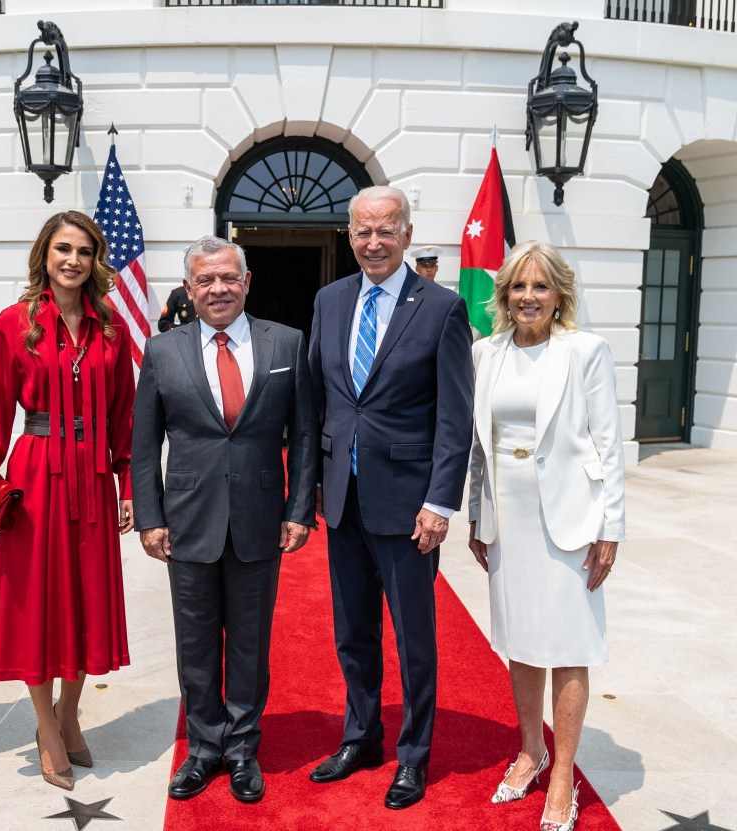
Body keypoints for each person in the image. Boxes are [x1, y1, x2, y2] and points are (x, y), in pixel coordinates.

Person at [132, 235, 317, 804]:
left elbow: (305, 433)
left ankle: (241, 749)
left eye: (228, 278)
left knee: (249, 644)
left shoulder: (286, 341)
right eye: (205, 280)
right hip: (187, 520)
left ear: (247, 281)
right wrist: (149, 516)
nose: (218, 289)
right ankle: (203, 748)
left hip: (261, 519)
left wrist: (300, 509)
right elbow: (144, 443)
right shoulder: (163, 351)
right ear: (189, 289)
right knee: (195, 643)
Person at [308, 186, 473, 810]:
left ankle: (414, 756)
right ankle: (362, 736)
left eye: (385, 230)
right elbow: (319, 400)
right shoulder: (329, 300)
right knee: (352, 632)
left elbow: (455, 420)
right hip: (343, 498)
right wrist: (312, 489)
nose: (373, 242)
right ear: (349, 236)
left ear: (406, 233)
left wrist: (441, 502)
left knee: (413, 638)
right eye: (362, 231)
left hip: (408, 508)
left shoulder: (442, 308)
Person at [0, 211, 135, 793]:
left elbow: (124, 417)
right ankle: (45, 726)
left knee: (85, 600)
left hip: (92, 475)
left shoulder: (111, 328)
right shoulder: (14, 324)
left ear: (95, 261)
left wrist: (129, 484)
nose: (73, 260)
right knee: (38, 605)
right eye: (63, 249)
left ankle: (69, 713)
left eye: (84, 251)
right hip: (36, 474)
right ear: (45, 254)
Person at [468, 240, 624, 831]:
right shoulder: (487, 353)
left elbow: (609, 445)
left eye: (540, 286)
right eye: (517, 286)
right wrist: (477, 516)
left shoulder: (585, 351)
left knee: (569, 645)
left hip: (570, 520)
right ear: (503, 295)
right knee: (522, 639)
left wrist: (610, 527)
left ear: (560, 294)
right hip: (507, 517)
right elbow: (479, 444)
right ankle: (530, 750)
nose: (527, 297)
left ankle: (563, 776)